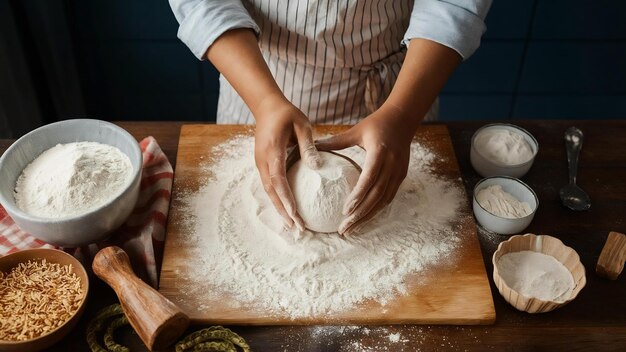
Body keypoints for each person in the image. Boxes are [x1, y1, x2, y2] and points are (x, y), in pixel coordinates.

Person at [169, 0, 492, 235]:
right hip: (258, 77)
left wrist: (400, 115)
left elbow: (454, 4)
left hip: (400, 91)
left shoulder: (400, 108)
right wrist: (264, 101)